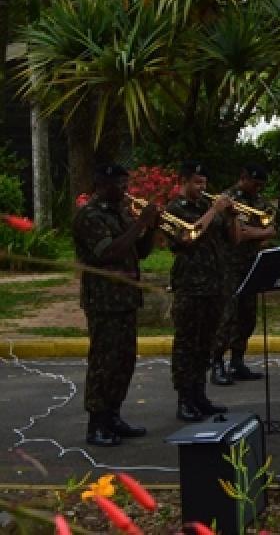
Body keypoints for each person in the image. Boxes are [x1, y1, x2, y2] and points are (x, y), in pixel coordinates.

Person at [74, 163, 161, 447]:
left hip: (125, 299)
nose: (125, 190)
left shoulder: (121, 212)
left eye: (126, 184)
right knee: (104, 362)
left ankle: (113, 415)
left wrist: (149, 229)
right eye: (119, 185)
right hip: (103, 300)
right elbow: (109, 253)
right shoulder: (90, 215)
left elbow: (140, 252)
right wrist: (140, 223)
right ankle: (96, 423)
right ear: (101, 184)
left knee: (124, 361)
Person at [165, 162, 235, 421]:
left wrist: (231, 215)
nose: (202, 188)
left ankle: (200, 395)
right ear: (183, 181)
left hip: (215, 285)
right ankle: (185, 399)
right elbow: (187, 237)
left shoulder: (208, 208)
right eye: (197, 183)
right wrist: (214, 211)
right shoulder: (175, 209)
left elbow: (234, 240)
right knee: (187, 344)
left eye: (204, 183)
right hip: (190, 286)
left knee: (206, 342)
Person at [210, 163, 276, 387]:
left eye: (261, 185)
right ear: (243, 178)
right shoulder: (226, 199)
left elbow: (271, 230)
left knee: (248, 315)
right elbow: (235, 236)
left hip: (250, 263)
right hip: (228, 265)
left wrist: (254, 233)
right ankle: (217, 361)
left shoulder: (259, 202)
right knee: (227, 315)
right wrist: (254, 234)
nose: (258, 188)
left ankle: (237, 361)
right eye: (255, 183)